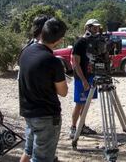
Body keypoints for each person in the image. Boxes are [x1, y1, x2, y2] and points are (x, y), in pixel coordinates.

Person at [19, 18, 68, 162]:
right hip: (46, 117)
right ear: (59, 40)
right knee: (41, 158)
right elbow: (63, 92)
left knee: (28, 150)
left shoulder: (25, 52)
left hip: (29, 113)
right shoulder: (52, 61)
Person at [69, 19, 100, 139]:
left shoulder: (94, 41)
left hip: (91, 76)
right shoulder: (80, 42)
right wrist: (83, 80)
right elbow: (76, 63)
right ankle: (73, 127)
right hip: (81, 78)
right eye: (94, 28)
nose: (96, 30)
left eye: (97, 28)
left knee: (86, 103)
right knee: (79, 103)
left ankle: (82, 126)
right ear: (88, 27)